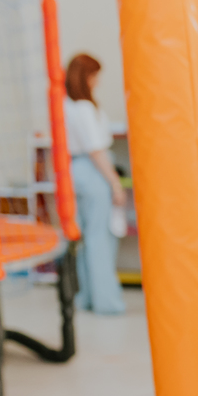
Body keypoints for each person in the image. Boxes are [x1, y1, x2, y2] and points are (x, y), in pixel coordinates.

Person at [64, 53, 125, 315]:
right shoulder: (85, 109)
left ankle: (87, 298)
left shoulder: (67, 106)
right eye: (95, 76)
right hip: (92, 171)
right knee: (101, 238)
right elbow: (96, 150)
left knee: (86, 238)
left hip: (74, 171)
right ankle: (106, 302)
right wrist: (115, 183)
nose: (97, 81)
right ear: (86, 77)